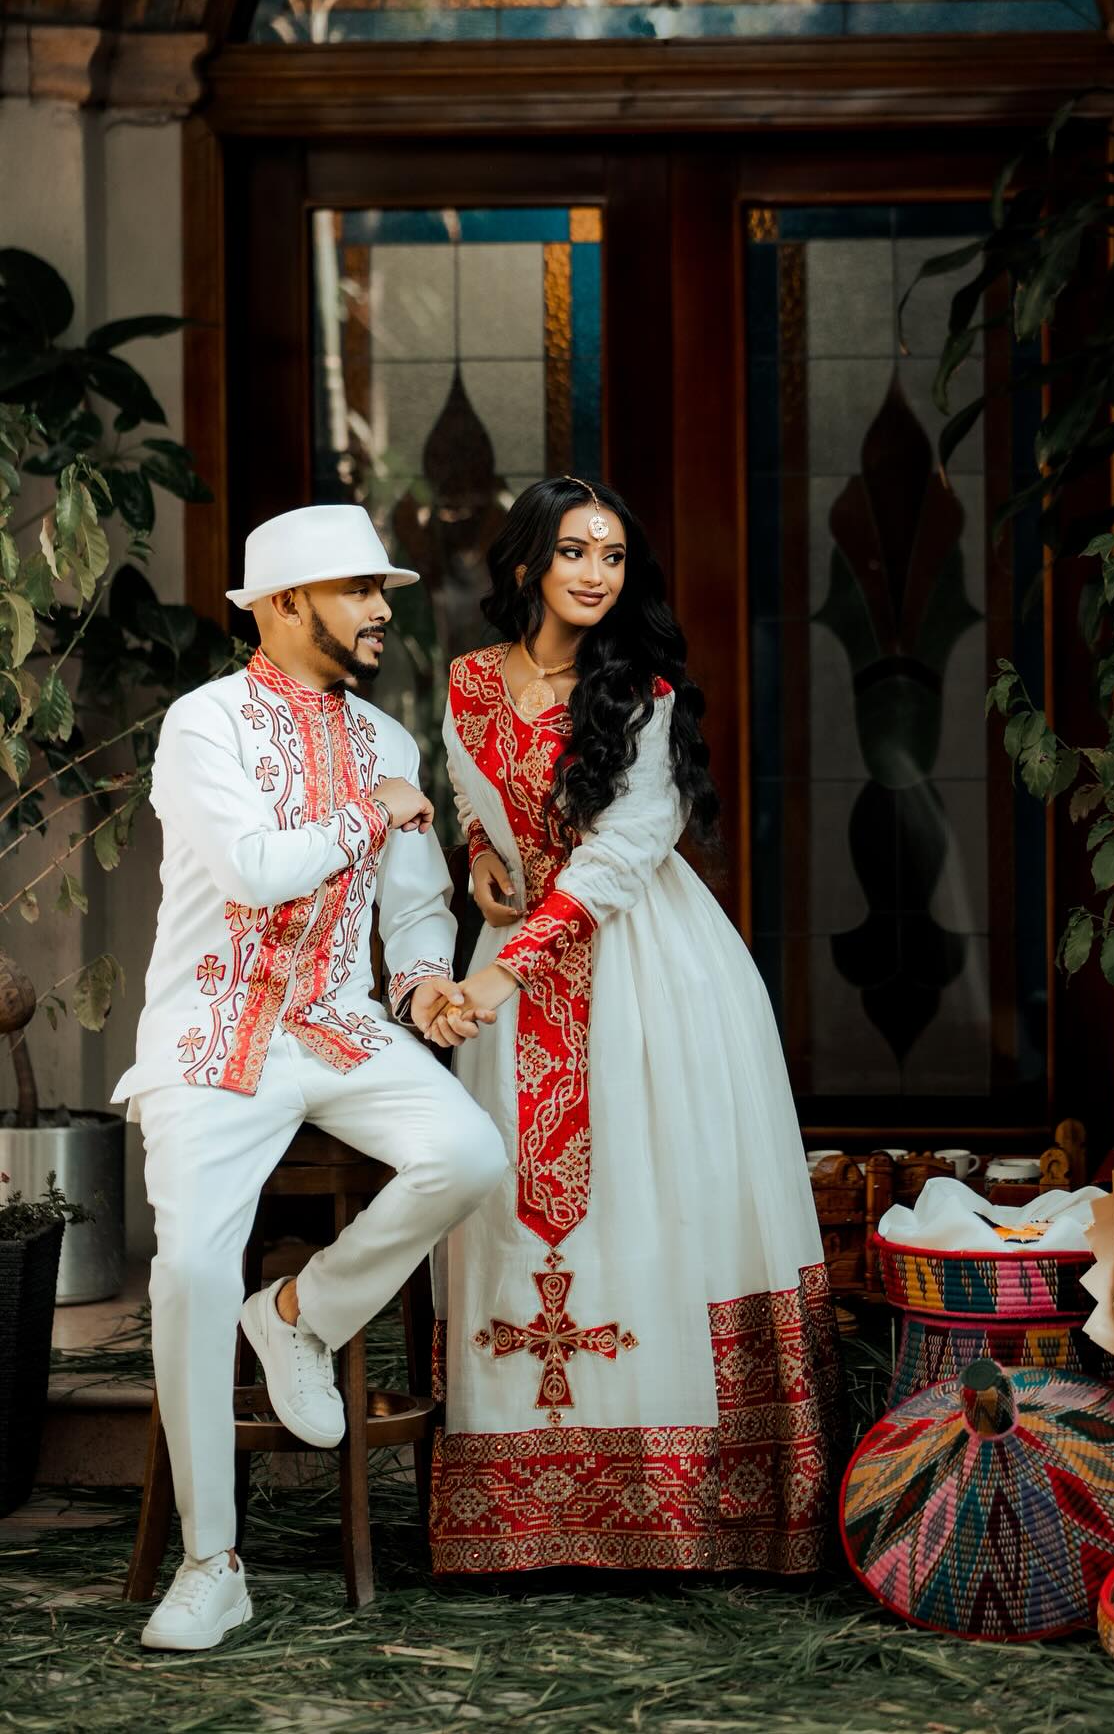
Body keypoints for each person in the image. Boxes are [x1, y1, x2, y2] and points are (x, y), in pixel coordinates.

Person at [427, 476, 840, 1576]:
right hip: (512, 973)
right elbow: (474, 802)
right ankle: (514, 1517)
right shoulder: (467, 684)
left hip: (644, 968)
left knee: (661, 1189)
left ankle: (683, 1513)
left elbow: (624, 849)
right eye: (575, 552)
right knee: (503, 1186)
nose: (598, 574)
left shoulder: (640, 694)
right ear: (527, 565)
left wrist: (510, 969)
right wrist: (480, 870)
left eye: (613, 557)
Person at [112, 504, 507, 1651]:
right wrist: (368, 814)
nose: (384, 609)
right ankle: (210, 1563)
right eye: (357, 591)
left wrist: (429, 980)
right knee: (187, 1265)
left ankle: (300, 1315)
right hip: (215, 1034)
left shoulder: (389, 741)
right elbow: (252, 868)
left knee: (469, 1151)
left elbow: (417, 903)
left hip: (340, 1024)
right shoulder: (203, 725)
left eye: (383, 590)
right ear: (285, 605)